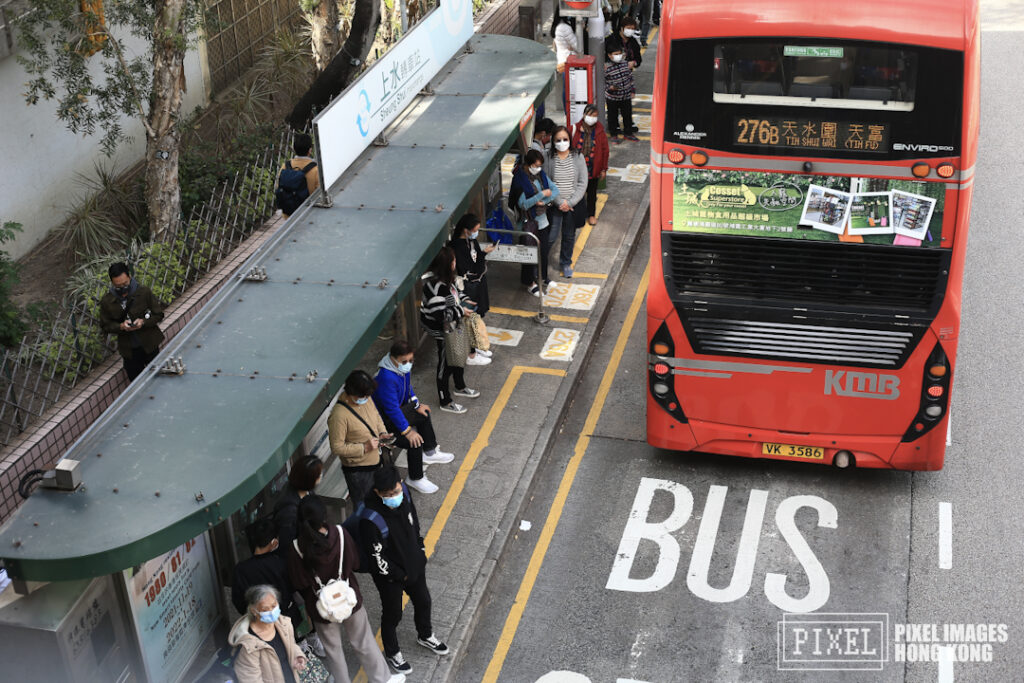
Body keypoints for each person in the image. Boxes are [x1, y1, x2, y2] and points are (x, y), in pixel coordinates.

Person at [286, 497, 404, 683]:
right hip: (349, 598)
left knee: (333, 651)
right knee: (363, 641)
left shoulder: (297, 548)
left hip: (321, 608)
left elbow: (299, 582)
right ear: (324, 515)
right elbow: (355, 562)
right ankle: (382, 679)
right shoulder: (339, 534)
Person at [361, 466, 449, 676]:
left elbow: (414, 523)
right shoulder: (370, 520)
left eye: (396, 491)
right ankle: (393, 652)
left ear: (400, 484)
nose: (394, 497)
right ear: (377, 493)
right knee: (393, 615)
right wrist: (401, 575)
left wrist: (420, 548)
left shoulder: (404, 496)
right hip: (390, 577)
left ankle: (425, 635)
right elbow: (378, 559)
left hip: (414, 565)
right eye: (388, 495)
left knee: (424, 601)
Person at [373, 340, 455, 495]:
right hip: (384, 424)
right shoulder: (386, 378)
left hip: (397, 413)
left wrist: (417, 405)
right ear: (392, 359)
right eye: (404, 361)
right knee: (414, 441)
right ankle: (415, 478)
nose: (408, 364)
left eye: (411, 360)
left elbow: (408, 388)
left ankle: (430, 452)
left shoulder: (401, 369)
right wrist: (407, 431)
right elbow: (391, 410)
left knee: (423, 414)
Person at [421, 247, 487, 413]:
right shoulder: (435, 287)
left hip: (453, 325)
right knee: (446, 363)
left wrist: (464, 300)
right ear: (447, 264)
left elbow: (455, 294)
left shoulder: (444, 280)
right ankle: (445, 400)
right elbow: (440, 315)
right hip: (442, 329)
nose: (455, 263)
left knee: (458, 353)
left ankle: (460, 386)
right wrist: (461, 311)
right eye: (453, 260)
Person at [329, 370, 391, 508]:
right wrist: (364, 447)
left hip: (376, 461)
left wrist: (382, 432)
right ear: (352, 392)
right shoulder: (339, 415)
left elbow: (376, 416)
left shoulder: (366, 398)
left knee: (377, 501)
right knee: (365, 506)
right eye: (363, 396)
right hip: (359, 471)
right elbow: (337, 447)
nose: (366, 399)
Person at [99, 262, 165, 381]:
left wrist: (144, 321)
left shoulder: (143, 292)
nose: (123, 288)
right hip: (129, 351)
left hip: (150, 345)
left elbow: (159, 314)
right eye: (118, 286)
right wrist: (121, 326)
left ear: (129, 277)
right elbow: (105, 326)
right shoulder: (107, 301)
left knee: (160, 378)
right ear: (112, 283)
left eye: (125, 284)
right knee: (136, 383)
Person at [229, 584, 307, 683]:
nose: (271, 611)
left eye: (274, 606)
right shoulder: (248, 647)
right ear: (254, 611)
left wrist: (297, 656)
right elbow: (251, 679)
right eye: (265, 609)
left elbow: (291, 644)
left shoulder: (284, 624)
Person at [510, 149, 560, 296]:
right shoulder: (519, 180)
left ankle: (543, 277)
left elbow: (555, 190)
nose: (538, 168)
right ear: (528, 164)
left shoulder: (540, 175)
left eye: (540, 165)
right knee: (528, 253)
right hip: (527, 223)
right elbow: (523, 204)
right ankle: (530, 283)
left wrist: (542, 201)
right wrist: (542, 194)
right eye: (536, 165)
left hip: (542, 221)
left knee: (543, 252)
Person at [544, 126, 589, 279]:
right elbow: (546, 181)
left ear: (570, 140)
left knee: (569, 236)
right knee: (551, 236)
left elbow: (583, 182)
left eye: (565, 139)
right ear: (553, 141)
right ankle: (540, 262)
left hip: (572, 206)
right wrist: (558, 202)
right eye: (558, 140)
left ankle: (565, 263)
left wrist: (570, 203)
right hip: (555, 204)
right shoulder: (548, 157)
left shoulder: (577, 157)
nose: (562, 142)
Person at [450, 213, 494, 359]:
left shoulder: (471, 241)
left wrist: (482, 254)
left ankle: (478, 345)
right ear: (465, 230)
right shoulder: (457, 246)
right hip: (468, 286)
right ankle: (472, 352)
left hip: (478, 283)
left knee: (477, 316)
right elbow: (469, 267)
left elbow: (475, 262)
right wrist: (482, 255)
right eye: (474, 230)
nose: (476, 233)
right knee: (470, 318)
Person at [273, 455, 323, 552]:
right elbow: (287, 546)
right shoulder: (288, 512)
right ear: (309, 480)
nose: (321, 476)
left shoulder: (307, 492)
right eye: (318, 475)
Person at [572, 103, 610, 226]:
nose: (593, 118)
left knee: (592, 193)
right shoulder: (574, 129)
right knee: (578, 192)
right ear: (584, 115)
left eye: (595, 116)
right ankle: (579, 214)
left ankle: (591, 215)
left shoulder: (599, 130)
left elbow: (605, 150)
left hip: (593, 168)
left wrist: (604, 169)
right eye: (590, 115)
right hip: (577, 168)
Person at [279, 133, 320, 218]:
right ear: (310, 150)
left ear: (294, 149)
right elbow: (319, 194)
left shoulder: (285, 166)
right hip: (307, 214)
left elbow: (278, 186)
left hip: (288, 214)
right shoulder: (316, 170)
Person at [605, 42, 638, 141]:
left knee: (627, 115)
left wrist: (632, 90)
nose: (618, 56)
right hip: (612, 98)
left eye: (619, 53)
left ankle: (628, 133)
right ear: (609, 55)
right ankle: (613, 134)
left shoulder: (625, 64)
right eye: (615, 54)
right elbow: (602, 83)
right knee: (612, 116)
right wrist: (609, 87)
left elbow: (630, 78)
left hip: (626, 96)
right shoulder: (606, 68)